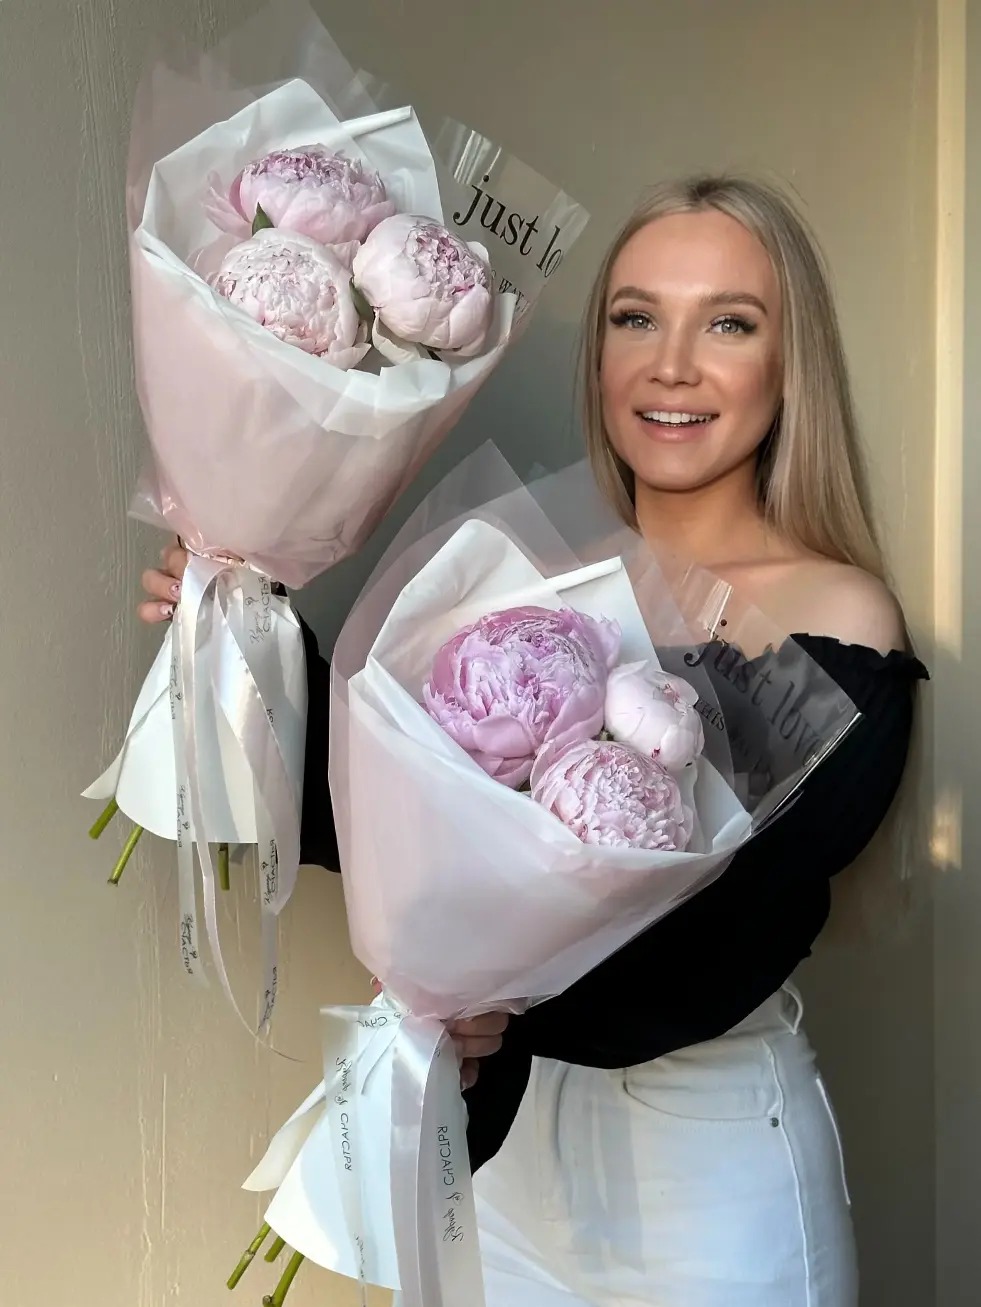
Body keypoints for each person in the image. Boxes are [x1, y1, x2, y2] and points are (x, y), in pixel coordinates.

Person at [139, 176, 926, 1306]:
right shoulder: (507, 573)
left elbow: (742, 924)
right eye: (636, 317)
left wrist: (497, 999)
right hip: (501, 1152)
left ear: (790, 363)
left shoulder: (839, 620)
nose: (671, 364)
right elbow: (355, 816)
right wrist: (239, 621)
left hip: (704, 1159)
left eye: (729, 323)